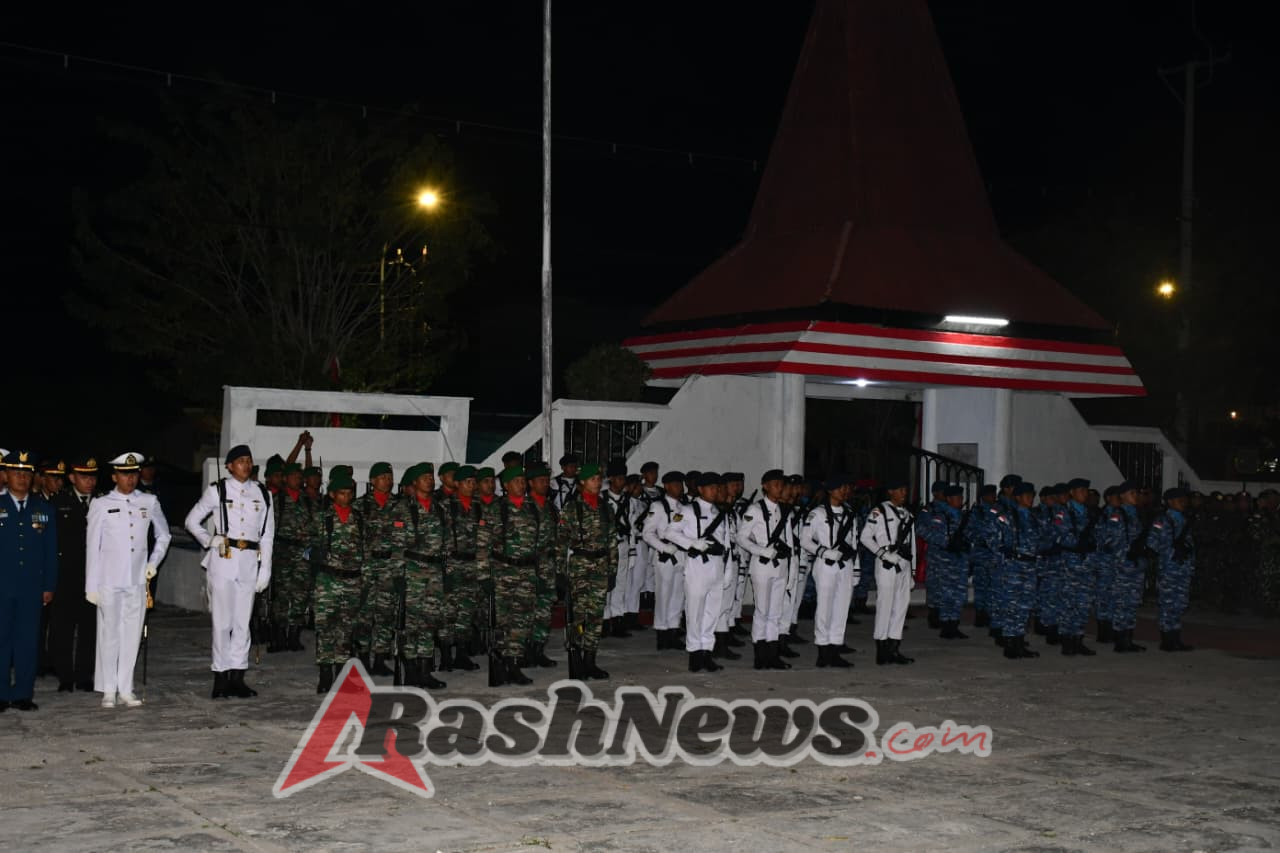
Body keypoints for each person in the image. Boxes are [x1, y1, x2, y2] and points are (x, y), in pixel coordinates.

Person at [183, 445, 275, 699]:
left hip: (249, 562)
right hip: (224, 560)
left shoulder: (263, 493)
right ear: (230, 466)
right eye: (240, 461)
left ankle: (238, 676)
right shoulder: (218, 490)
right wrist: (208, 540)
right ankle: (220, 677)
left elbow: (267, 535)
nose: (246, 465)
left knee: (242, 623)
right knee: (222, 623)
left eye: (249, 460)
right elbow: (191, 521)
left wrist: (265, 569)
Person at [85, 453, 171, 708]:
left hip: (136, 580)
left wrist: (153, 563)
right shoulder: (101, 503)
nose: (130, 478)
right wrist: (91, 586)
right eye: (124, 474)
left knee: (132, 635)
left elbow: (164, 535)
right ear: (114, 476)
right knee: (109, 634)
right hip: (109, 580)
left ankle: (126, 688)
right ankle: (108, 689)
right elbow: (93, 546)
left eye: (134, 473)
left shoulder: (149, 501)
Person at [0, 450, 58, 711]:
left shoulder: (43, 509)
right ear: (5, 475)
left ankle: (23, 693)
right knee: (1, 640)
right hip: (2, 586)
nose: (22, 478)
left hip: (31, 588)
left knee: (27, 641)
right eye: (16, 472)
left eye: (26, 473)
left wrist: (49, 585)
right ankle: (1, 694)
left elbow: (50, 551)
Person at [477, 466, 546, 686]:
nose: (521, 484)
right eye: (516, 481)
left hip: (527, 572)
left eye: (523, 480)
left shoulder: (533, 507)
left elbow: (542, 545)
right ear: (506, 485)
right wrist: (484, 575)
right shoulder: (496, 509)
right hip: (503, 572)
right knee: (502, 621)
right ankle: (500, 663)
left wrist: (542, 574)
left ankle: (514, 664)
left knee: (522, 620)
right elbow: (482, 545)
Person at [665, 472, 731, 673]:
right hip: (697, 567)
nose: (715, 491)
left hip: (717, 567)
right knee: (695, 612)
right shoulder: (687, 510)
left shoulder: (720, 512)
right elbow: (670, 532)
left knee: (712, 612)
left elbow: (727, 545)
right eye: (711, 487)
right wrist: (692, 543)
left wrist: (728, 571)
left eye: (717, 487)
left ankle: (707, 652)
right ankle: (695, 654)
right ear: (700, 489)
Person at [309, 468, 364, 693]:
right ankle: (325, 675)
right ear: (332, 494)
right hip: (328, 580)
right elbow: (305, 548)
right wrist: (315, 556)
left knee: (346, 630)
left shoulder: (360, 518)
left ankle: (342, 675)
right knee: (325, 628)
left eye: (349, 493)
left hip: (352, 580)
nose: (346, 497)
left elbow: (367, 549)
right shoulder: (322, 519)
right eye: (341, 493)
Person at [557, 463, 613, 679]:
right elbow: (561, 542)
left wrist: (613, 570)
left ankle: (590, 660)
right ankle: (577, 658)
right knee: (578, 616)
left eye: (599, 479)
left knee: (596, 616)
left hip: (601, 565)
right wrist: (560, 572)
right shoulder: (572, 508)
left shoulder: (606, 508)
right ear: (582, 482)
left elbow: (612, 541)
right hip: (580, 565)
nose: (597, 483)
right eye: (592, 479)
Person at [737, 469, 796, 670]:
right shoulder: (755, 509)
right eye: (776, 484)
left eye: (782, 485)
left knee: (776, 612)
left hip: (781, 566)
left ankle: (773, 654)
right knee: (762, 611)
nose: (780, 488)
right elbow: (741, 537)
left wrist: (791, 571)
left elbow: (789, 541)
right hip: (762, 566)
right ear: (765, 486)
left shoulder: (784, 510)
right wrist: (761, 551)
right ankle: (760, 655)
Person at [355, 462, 411, 676]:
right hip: (367, 567)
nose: (387, 480)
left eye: (389, 476)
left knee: (386, 614)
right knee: (364, 614)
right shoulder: (361, 506)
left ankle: (380, 658)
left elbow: (404, 540)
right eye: (383, 477)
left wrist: (400, 571)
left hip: (391, 566)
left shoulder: (401, 506)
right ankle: (362, 658)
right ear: (372, 481)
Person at [50, 455, 100, 692]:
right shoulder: (58, 502)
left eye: (92, 477)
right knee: (63, 627)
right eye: (83, 476)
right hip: (66, 575)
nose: (89, 481)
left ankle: (84, 675)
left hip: (93, 575)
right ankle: (65, 676)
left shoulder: (101, 502)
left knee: (90, 627)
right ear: (72, 478)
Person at [801, 473, 858, 667]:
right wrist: (823, 552)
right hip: (826, 565)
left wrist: (856, 569)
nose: (844, 491)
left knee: (841, 608)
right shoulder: (818, 513)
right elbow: (805, 540)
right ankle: (823, 650)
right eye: (840, 488)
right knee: (824, 608)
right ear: (830, 490)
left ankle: (835, 648)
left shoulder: (850, 513)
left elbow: (854, 542)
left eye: (846, 488)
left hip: (845, 565)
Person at [401, 462, 448, 689]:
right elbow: (396, 546)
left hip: (435, 572)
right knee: (412, 623)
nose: (430, 480)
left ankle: (425, 670)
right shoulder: (404, 510)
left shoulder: (440, 509)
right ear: (415, 482)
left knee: (430, 621)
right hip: (413, 571)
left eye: (431, 476)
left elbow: (447, 542)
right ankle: (411, 670)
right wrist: (398, 576)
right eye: (425, 477)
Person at [860, 479, 916, 665]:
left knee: (901, 607)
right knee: (885, 606)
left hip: (904, 564)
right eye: (900, 490)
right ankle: (882, 649)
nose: (904, 493)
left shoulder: (907, 513)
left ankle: (894, 648)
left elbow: (912, 544)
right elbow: (865, 537)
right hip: (887, 564)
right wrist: (882, 554)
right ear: (891, 491)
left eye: (905, 490)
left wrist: (912, 571)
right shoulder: (879, 511)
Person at [641, 470, 687, 651]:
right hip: (665, 557)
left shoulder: (684, 507)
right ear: (666, 486)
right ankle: (662, 633)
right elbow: (647, 533)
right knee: (663, 596)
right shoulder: (658, 506)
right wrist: (663, 547)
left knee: (678, 596)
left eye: (680, 484)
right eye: (675, 484)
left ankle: (673, 631)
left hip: (682, 556)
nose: (679, 488)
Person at [442, 466, 482, 672]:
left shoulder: (479, 506)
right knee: (448, 611)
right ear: (457, 483)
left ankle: (462, 653)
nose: (472, 485)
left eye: (474, 482)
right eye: (468, 482)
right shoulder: (444, 506)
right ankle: (445, 655)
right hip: (452, 563)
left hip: (472, 564)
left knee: (467, 610)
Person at [1052, 478, 1098, 656]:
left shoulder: (1089, 513)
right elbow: (1061, 535)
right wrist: (1078, 543)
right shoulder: (1063, 512)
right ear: (1071, 492)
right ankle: (1067, 641)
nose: (1085, 494)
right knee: (1068, 603)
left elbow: (1100, 535)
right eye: (1081, 490)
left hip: (1087, 564)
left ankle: (1078, 640)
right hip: (1070, 564)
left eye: (1086, 490)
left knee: (1083, 604)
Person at [918, 484, 970, 640]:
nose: (960, 500)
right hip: (943, 561)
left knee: (959, 594)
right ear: (948, 499)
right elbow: (923, 531)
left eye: (961, 497)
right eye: (957, 497)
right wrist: (946, 542)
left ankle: (954, 624)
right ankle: (946, 625)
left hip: (960, 560)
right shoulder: (939, 516)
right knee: (946, 594)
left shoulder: (963, 516)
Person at [1101, 481, 1147, 653]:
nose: (1136, 496)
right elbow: (1109, 541)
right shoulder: (1117, 514)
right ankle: (1121, 641)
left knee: (1132, 603)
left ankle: (1128, 639)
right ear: (1122, 496)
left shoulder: (1135, 514)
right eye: (1132, 493)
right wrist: (1127, 552)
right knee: (1122, 603)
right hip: (1123, 567)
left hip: (1135, 566)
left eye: (1136, 493)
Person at [1149, 487, 1195, 652]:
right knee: (1168, 604)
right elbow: (1152, 543)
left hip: (1183, 568)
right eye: (1179, 499)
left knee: (1180, 604)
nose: (1183, 502)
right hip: (1169, 569)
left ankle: (1176, 638)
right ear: (1169, 502)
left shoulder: (1184, 519)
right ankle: (1167, 640)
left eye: (1184, 499)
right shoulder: (1162, 520)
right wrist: (1170, 551)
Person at [272, 462, 311, 652]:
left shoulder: (308, 501)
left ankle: (294, 635)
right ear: (285, 478)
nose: (298, 478)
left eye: (299, 475)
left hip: (303, 554)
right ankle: (279, 635)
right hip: (283, 552)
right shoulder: (277, 500)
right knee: (281, 595)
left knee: (300, 595)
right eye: (294, 475)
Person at [525, 463, 560, 668]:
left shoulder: (550, 507)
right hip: (528, 567)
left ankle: (538, 650)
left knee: (544, 611)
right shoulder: (523, 507)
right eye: (541, 480)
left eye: (547, 480)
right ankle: (523, 651)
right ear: (531, 483)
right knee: (526, 610)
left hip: (547, 566)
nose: (545, 484)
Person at [601, 460, 634, 639]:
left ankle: (618, 618)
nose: (622, 482)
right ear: (611, 479)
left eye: (623, 478)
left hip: (623, 544)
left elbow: (632, 526)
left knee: (621, 583)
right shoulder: (602, 498)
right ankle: (604, 619)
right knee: (607, 584)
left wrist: (632, 549)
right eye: (619, 478)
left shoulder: (628, 500)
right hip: (607, 547)